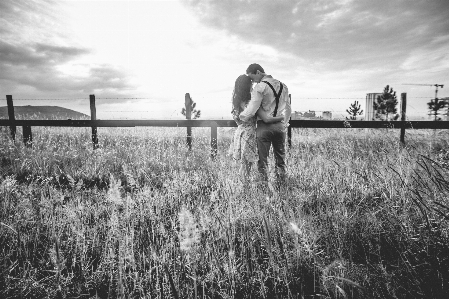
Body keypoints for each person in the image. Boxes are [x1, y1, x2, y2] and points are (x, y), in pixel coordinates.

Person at [240, 63, 291, 183]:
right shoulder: (283, 85)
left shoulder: (260, 87)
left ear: (258, 72)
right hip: (280, 126)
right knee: (281, 159)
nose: (253, 81)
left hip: (264, 127)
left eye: (252, 77)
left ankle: (264, 186)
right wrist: (285, 123)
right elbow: (288, 108)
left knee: (262, 161)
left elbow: (252, 109)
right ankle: (281, 184)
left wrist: (242, 117)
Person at [229, 74, 284, 180]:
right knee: (246, 167)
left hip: (240, 132)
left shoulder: (236, 102)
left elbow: (238, 120)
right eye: (251, 84)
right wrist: (281, 118)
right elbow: (266, 119)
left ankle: (242, 187)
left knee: (243, 165)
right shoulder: (252, 103)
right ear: (248, 86)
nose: (253, 86)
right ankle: (244, 189)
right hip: (249, 134)